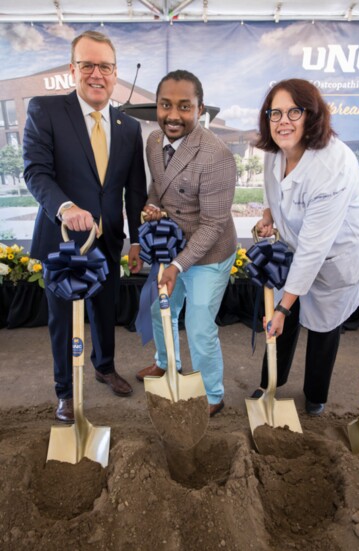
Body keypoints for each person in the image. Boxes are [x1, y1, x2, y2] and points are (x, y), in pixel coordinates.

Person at [23, 30, 147, 422]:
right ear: (73, 69)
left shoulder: (128, 127)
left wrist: (136, 241)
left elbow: (134, 191)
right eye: (88, 65)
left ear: (115, 73)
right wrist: (65, 207)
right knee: (62, 320)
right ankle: (64, 390)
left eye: (105, 67)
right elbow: (36, 172)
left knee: (104, 308)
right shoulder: (45, 110)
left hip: (106, 240)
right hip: (62, 244)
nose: (97, 74)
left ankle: (104, 366)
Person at [252, 78, 359, 415]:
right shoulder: (275, 151)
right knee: (282, 321)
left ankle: (315, 395)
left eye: (294, 112)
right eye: (275, 113)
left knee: (322, 326)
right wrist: (270, 212)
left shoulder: (333, 164)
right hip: (297, 245)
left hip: (334, 256)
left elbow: (314, 249)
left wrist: (285, 307)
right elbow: (274, 188)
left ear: (311, 116)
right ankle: (270, 383)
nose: (283, 121)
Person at [135, 70, 237, 417]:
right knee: (158, 310)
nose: (173, 115)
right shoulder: (152, 141)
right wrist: (151, 208)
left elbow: (213, 224)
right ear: (157, 107)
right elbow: (159, 189)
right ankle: (165, 363)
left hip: (209, 253)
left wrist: (179, 266)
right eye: (166, 105)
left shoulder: (216, 155)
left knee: (197, 324)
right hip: (173, 247)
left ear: (200, 108)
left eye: (184, 106)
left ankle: (213, 395)